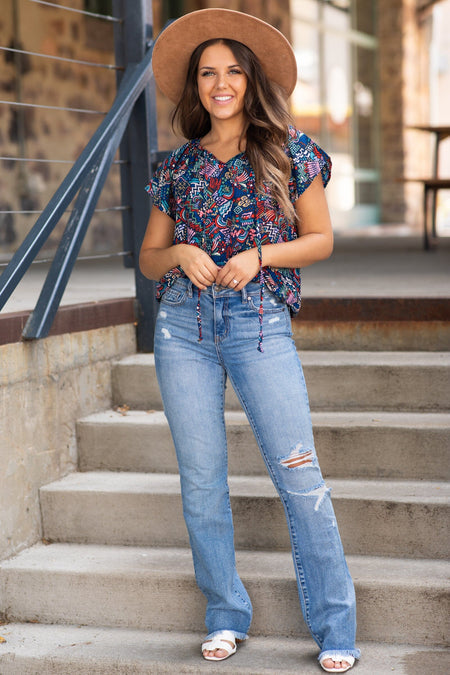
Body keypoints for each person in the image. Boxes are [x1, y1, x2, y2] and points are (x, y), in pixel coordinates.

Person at [139, 8, 360, 673]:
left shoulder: (290, 150)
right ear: (195, 87)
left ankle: (335, 624)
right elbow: (148, 258)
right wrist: (178, 250)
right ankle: (225, 613)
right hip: (183, 328)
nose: (220, 82)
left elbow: (320, 240)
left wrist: (261, 254)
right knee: (202, 480)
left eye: (232, 69)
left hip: (260, 324)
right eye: (207, 73)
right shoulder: (175, 166)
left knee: (298, 473)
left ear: (252, 78)